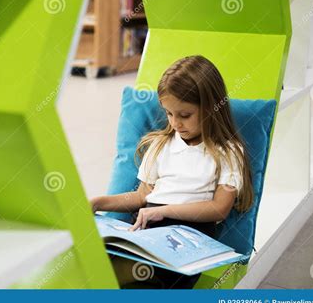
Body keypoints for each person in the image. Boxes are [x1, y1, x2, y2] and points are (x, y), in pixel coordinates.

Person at [90, 55, 254, 289]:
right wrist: (98, 203)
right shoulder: (160, 145)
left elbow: (220, 208)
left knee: (134, 280)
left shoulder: (227, 152)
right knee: (96, 262)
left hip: (187, 239)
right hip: (146, 230)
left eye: (184, 115)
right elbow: (140, 197)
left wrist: (163, 211)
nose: (175, 122)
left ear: (210, 108)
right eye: (169, 113)